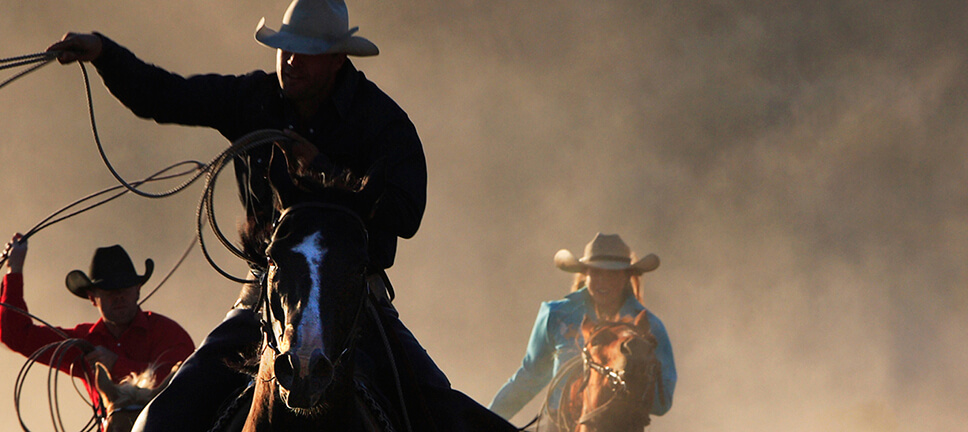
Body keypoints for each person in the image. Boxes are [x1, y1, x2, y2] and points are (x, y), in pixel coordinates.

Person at [47, 1, 512, 430]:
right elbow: (166, 96)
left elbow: (406, 213)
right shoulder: (255, 99)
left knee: (445, 413)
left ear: (337, 59)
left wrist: (329, 173)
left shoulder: (381, 121)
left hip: (354, 302)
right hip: (264, 294)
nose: (290, 61)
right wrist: (104, 54)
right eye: (285, 50)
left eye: (305, 53)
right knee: (160, 420)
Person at [490, 233, 677, 423]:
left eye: (612, 274)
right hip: (558, 423)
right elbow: (529, 378)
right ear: (585, 274)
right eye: (596, 273)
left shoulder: (649, 328)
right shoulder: (557, 316)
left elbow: (663, 401)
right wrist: (486, 420)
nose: (603, 281)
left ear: (626, 277)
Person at [0, 234, 195, 407]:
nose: (118, 297)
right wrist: (14, 270)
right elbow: (17, 336)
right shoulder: (83, 343)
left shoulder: (167, 332)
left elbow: (183, 382)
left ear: (137, 290)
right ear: (92, 298)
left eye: (124, 289)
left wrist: (116, 364)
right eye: (109, 291)